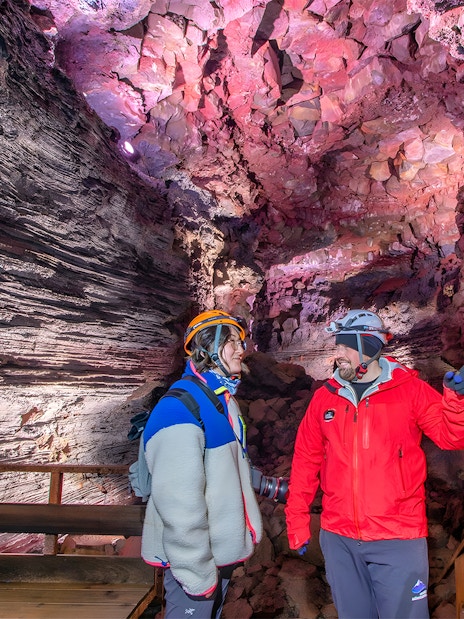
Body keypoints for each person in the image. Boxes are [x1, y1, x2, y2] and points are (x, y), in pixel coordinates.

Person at [285, 309, 464, 619]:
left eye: (346, 345)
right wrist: (297, 521)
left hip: (399, 537)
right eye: (338, 345)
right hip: (339, 538)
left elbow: (451, 438)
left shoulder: (410, 390)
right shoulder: (325, 399)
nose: (338, 353)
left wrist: (456, 401)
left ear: (369, 347)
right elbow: (305, 461)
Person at [141, 310, 263, 619]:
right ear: (206, 349)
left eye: (241, 342)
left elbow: (230, 470)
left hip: (216, 558)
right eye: (231, 342)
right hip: (194, 569)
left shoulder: (223, 401)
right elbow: (179, 506)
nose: (241, 349)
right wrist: (196, 575)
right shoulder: (179, 409)